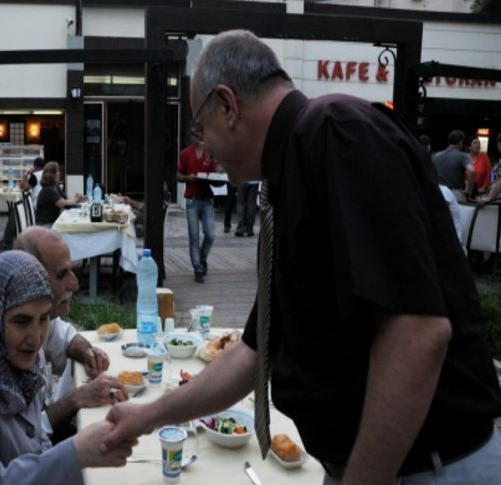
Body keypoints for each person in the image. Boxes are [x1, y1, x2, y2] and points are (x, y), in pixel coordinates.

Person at [101, 30, 501, 484]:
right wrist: (147, 416)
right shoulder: (290, 170)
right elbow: (253, 352)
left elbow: (418, 333)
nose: (203, 148)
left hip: (429, 469)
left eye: (199, 128)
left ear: (228, 105)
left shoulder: (337, 132)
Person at [0, 251, 134, 483]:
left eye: (44, 319)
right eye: (21, 321)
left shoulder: (13, 358)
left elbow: (36, 444)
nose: (36, 338)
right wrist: (76, 452)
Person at [14, 227, 128, 440]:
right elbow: (25, 437)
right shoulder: (2, 346)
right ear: (31, 279)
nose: (75, 284)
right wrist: (76, 399)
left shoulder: (39, 320)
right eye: (61, 274)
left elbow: (65, 337)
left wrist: (87, 352)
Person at [177, 126, 217, 283]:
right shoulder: (185, 153)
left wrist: (215, 173)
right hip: (192, 198)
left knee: (210, 234)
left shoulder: (210, 153)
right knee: (194, 237)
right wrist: (189, 178)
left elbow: (216, 174)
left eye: (200, 134)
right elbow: (178, 175)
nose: (198, 137)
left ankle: (202, 258)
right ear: (191, 137)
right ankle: (198, 268)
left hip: (207, 198)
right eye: (194, 134)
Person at [35, 161, 85, 227]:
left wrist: (78, 199)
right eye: (56, 172)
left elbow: (66, 199)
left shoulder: (55, 186)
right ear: (50, 175)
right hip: (45, 225)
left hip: (53, 221)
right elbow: (63, 204)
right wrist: (75, 199)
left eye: (58, 171)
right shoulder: (48, 190)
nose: (58, 173)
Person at [433, 129, 474, 203]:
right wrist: (469, 191)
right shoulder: (462, 156)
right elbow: (472, 170)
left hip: (439, 194)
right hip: (455, 194)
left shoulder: (437, 156)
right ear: (460, 142)